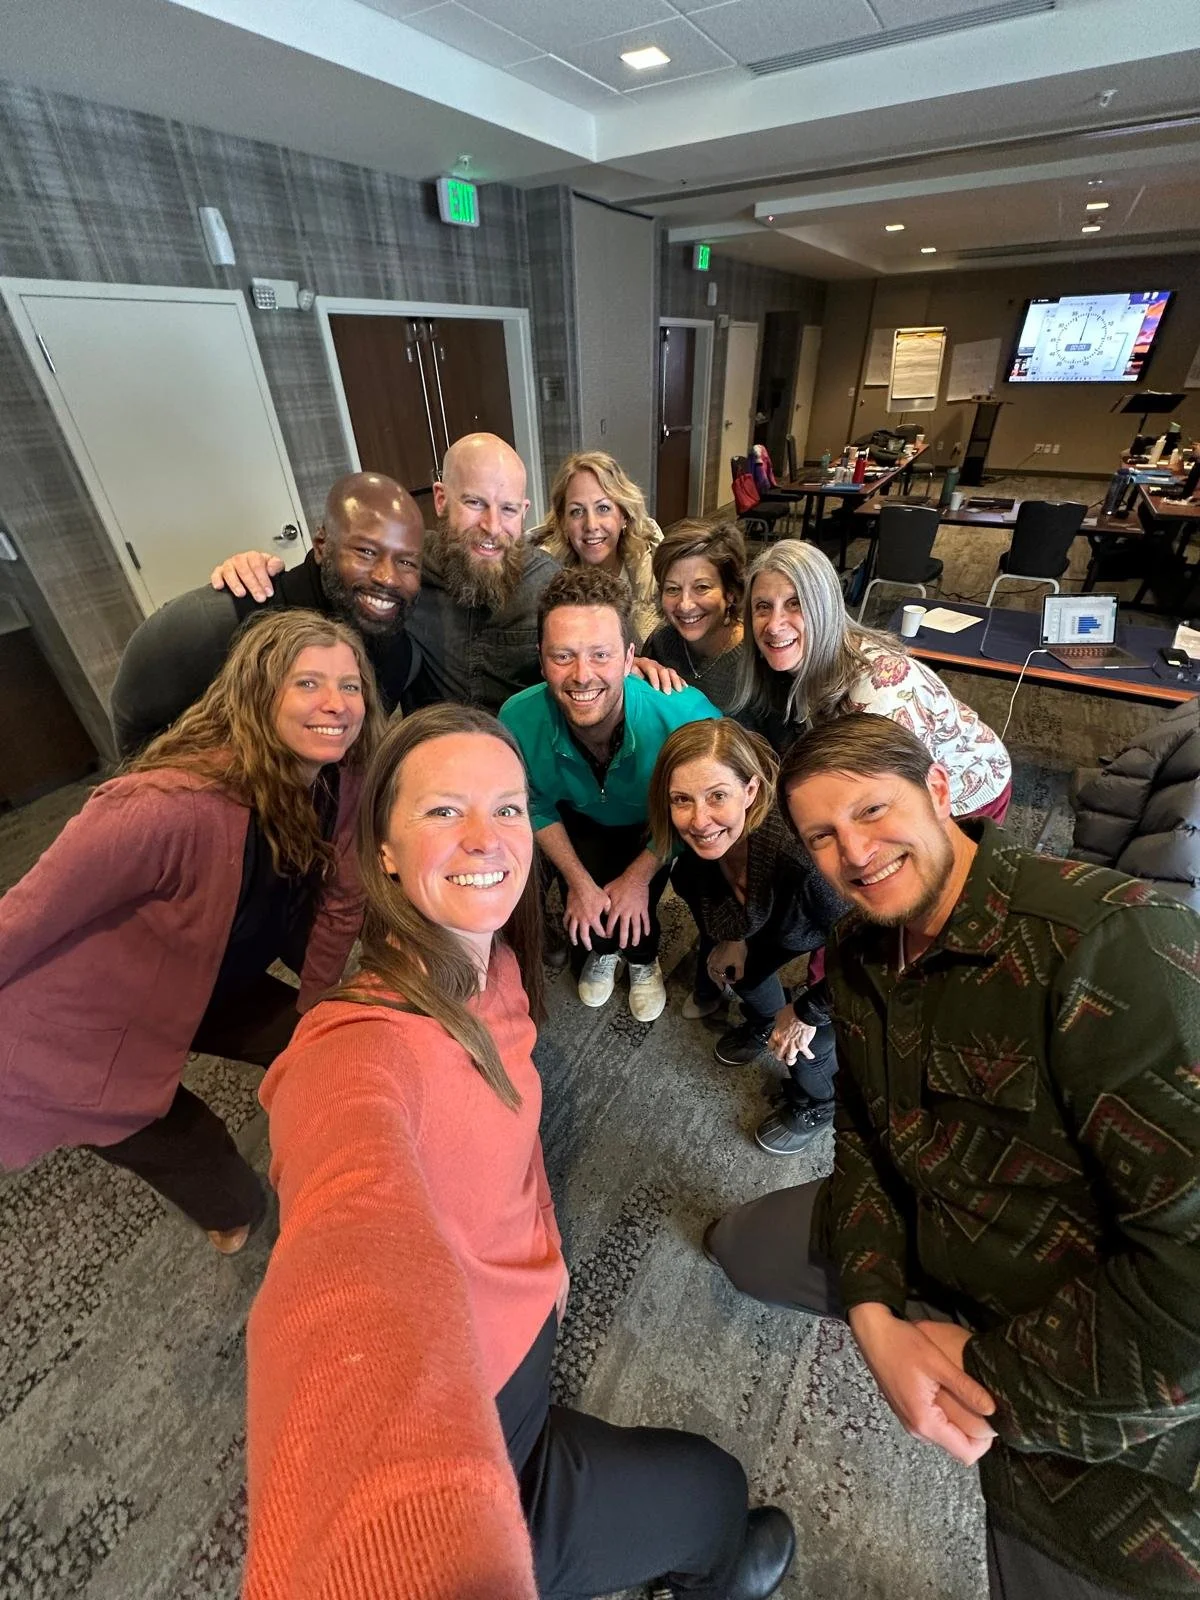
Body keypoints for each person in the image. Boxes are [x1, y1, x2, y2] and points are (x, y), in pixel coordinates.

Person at [245, 703, 796, 1600]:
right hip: (469, 1406)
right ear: (382, 850)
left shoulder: (495, 964)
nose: (486, 838)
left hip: (522, 1306)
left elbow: (508, 1126)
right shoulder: (358, 1051)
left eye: (506, 808)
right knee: (717, 1498)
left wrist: (541, 1249)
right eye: (442, 810)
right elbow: (338, 1264)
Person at [706, 713, 1200, 1600]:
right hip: (923, 1225)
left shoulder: (1115, 945)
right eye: (822, 836)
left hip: (1081, 1335)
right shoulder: (857, 949)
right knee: (738, 1246)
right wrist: (874, 1317)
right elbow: (861, 1132)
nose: (855, 854)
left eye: (872, 810)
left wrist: (985, 1376)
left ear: (939, 791)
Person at [0, 611, 381, 1253]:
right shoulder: (162, 807)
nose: (336, 704)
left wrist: (318, 1006)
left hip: (212, 975)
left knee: (325, 1046)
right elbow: (26, 916)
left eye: (350, 686)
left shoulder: (343, 783)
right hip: (90, 1021)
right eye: (308, 683)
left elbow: (343, 901)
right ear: (257, 695)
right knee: (226, 1193)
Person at [499, 566, 719, 1022]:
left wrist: (639, 877)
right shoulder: (516, 718)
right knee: (591, 897)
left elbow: (710, 809)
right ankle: (604, 950)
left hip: (660, 821)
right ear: (541, 659)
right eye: (563, 656)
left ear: (629, 658)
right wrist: (578, 882)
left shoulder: (685, 719)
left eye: (601, 655)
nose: (582, 676)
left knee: (641, 901)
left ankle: (642, 958)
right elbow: (533, 802)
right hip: (578, 815)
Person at [212, 433, 559, 714]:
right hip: (425, 754)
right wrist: (255, 565)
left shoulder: (550, 587)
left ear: (524, 511)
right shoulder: (402, 567)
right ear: (441, 499)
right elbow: (332, 570)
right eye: (474, 503)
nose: (492, 526)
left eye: (508, 509)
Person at [111, 471, 422, 755]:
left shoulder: (400, 659)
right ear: (321, 545)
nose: (388, 578)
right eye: (366, 552)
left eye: (407, 562)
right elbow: (132, 719)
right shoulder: (212, 622)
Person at [648, 719, 846, 1155]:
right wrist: (733, 938)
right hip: (772, 924)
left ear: (751, 790)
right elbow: (709, 900)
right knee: (743, 975)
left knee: (808, 1047)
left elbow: (872, 950)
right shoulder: (694, 853)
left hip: (838, 939)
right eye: (682, 799)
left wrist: (807, 1012)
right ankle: (764, 1022)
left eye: (717, 796)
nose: (699, 821)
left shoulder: (806, 861)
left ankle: (821, 1103)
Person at [735, 540, 1012, 822]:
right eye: (763, 607)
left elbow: (901, 807)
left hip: (963, 790)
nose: (774, 625)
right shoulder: (785, 665)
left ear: (825, 609)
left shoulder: (879, 697)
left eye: (795, 604)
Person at [1071, 695, 1200, 908]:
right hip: (1163, 896)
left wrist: (1087, 878)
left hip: (1141, 895)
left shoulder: (1192, 720)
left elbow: (1120, 790)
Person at [536, 449, 662, 644]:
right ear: (563, 522)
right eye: (577, 511)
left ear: (624, 515)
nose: (591, 525)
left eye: (603, 508)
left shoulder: (657, 575)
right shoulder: (542, 578)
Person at [641, 520, 751, 715]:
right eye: (673, 589)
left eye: (702, 587)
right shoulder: (660, 645)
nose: (685, 605)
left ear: (731, 593)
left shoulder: (756, 660)